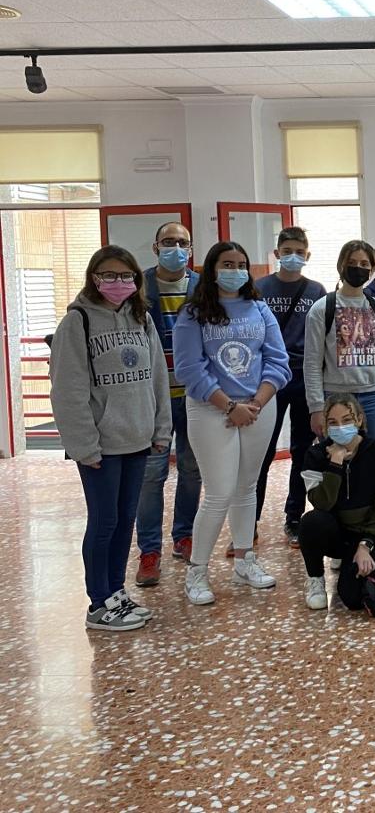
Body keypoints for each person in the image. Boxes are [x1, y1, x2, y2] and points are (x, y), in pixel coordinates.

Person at [51, 245, 172, 631]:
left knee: (125, 521)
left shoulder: (141, 317)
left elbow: (157, 377)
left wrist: (160, 429)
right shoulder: (78, 322)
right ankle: (98, 603)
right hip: (101, 446)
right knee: (104, 522)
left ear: (136, 279)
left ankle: (116, 593)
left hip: (138, 439)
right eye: (108, 275)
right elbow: (68, 391)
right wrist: (83, 445)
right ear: (94, 278)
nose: (117, 282)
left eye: (125, 275)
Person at [173, 241, 292, 606]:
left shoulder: (259, 308)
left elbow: (278, 360)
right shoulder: (193, 313)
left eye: (241, 264)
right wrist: (229, 406)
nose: (235, 270)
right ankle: (197, 571)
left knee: (246, 487)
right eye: (227, 264)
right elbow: (189, 369)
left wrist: (256, 402)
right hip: (212, 409)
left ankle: (245, 560)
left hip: (258, 407)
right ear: (211, 269)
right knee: (219, 492)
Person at [134, 221, 201, 587]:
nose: (176, 248)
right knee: (151, 476)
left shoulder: (202, 287)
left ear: (190, 248)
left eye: (183, 242)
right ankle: (149, 551)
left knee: (192, 470)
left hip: (196, 397)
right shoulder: (139, 287)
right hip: (153, 399)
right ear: (156, 246)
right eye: (169, 241)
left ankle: (184, 535)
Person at [254, 226, 327, 547]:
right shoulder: (259, 288)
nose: (293, 257)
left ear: (307, 255)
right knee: (261, 451)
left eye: (299, 252)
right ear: (277, 254)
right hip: (268, 378)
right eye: (287, 251)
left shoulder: (316, 291)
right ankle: (249, 520)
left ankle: (294, 517)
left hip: (304, 378)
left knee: (301, 451)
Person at [298, 393, 375, 614]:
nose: (340, 427)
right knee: (311, 521)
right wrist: (335, 464)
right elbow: (321, 503)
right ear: (325, 426)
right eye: (333, 422)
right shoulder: (315, 455)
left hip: (368, 535)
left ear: (359, 420)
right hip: (336, 533)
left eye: (347, 420)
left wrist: (365, 545)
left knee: (353, 598)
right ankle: (315, 579)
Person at [303, 240, 375, 443]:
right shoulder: (322, 309)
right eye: (352, 263)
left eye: (364, 264)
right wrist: (316, 407)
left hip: (374, 397)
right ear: (341, 265)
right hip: (335, 396)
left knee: (371, 454)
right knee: (335, 454)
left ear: (372, 269)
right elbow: (312, 363)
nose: (358, 268)